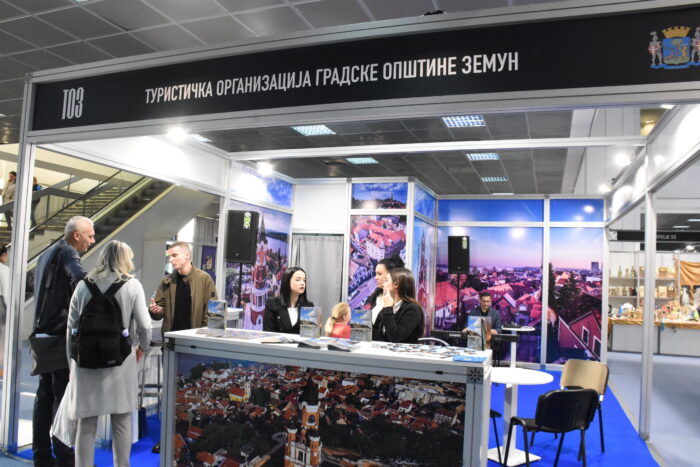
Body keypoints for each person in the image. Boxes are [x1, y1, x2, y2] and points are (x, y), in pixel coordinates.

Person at [65, 240, 151, 467]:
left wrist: (71, 363)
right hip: (120, 362)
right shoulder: (132, 286)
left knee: (86, 424)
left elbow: (71, 329)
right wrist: (142, 349)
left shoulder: (83, 286)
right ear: (124, 260)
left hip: (86, 363)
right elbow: (145, 325)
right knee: (121, 421)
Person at [32, 216, 95, 467]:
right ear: (76, 235)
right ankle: (65, 457)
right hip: (59, 336)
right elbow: (81, 282)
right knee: (61, 398)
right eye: (89, 235)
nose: (92, 240)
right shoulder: (69, 252)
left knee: (44, 397)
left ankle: (41, 455)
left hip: (42, 335)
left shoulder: (47, 253)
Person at [148, 241, 217, 338]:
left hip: (196, 340)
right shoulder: (167, 281)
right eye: (169, 256)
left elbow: (213, 312)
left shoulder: (204, 279)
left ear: (187, 255)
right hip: (171, 340)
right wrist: (155, 311)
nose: (171, 260)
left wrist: (204, 337)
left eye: (174, 255)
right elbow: (159, 310)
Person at [376, 268, 424, 343]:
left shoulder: (412, 309)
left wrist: (388, 308)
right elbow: (378, 333)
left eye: (386, 280)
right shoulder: (390, 306)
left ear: (396, 284)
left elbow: (395, 337)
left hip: (405, 350)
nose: (383, 284)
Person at [263, 267, 314, 334]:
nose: (302, 283)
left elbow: (310, 335)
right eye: (298, 280)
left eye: (304, 280)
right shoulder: (272, 304)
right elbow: (268, 333)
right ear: (287, 281)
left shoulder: (308, 306)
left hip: (300, 341)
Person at [365, 256, 405, 340]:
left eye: (379, 274)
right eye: (376, 274)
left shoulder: (401, 304)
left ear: (392, 275)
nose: (376, 278)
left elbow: (394, 336)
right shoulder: (376, 297)